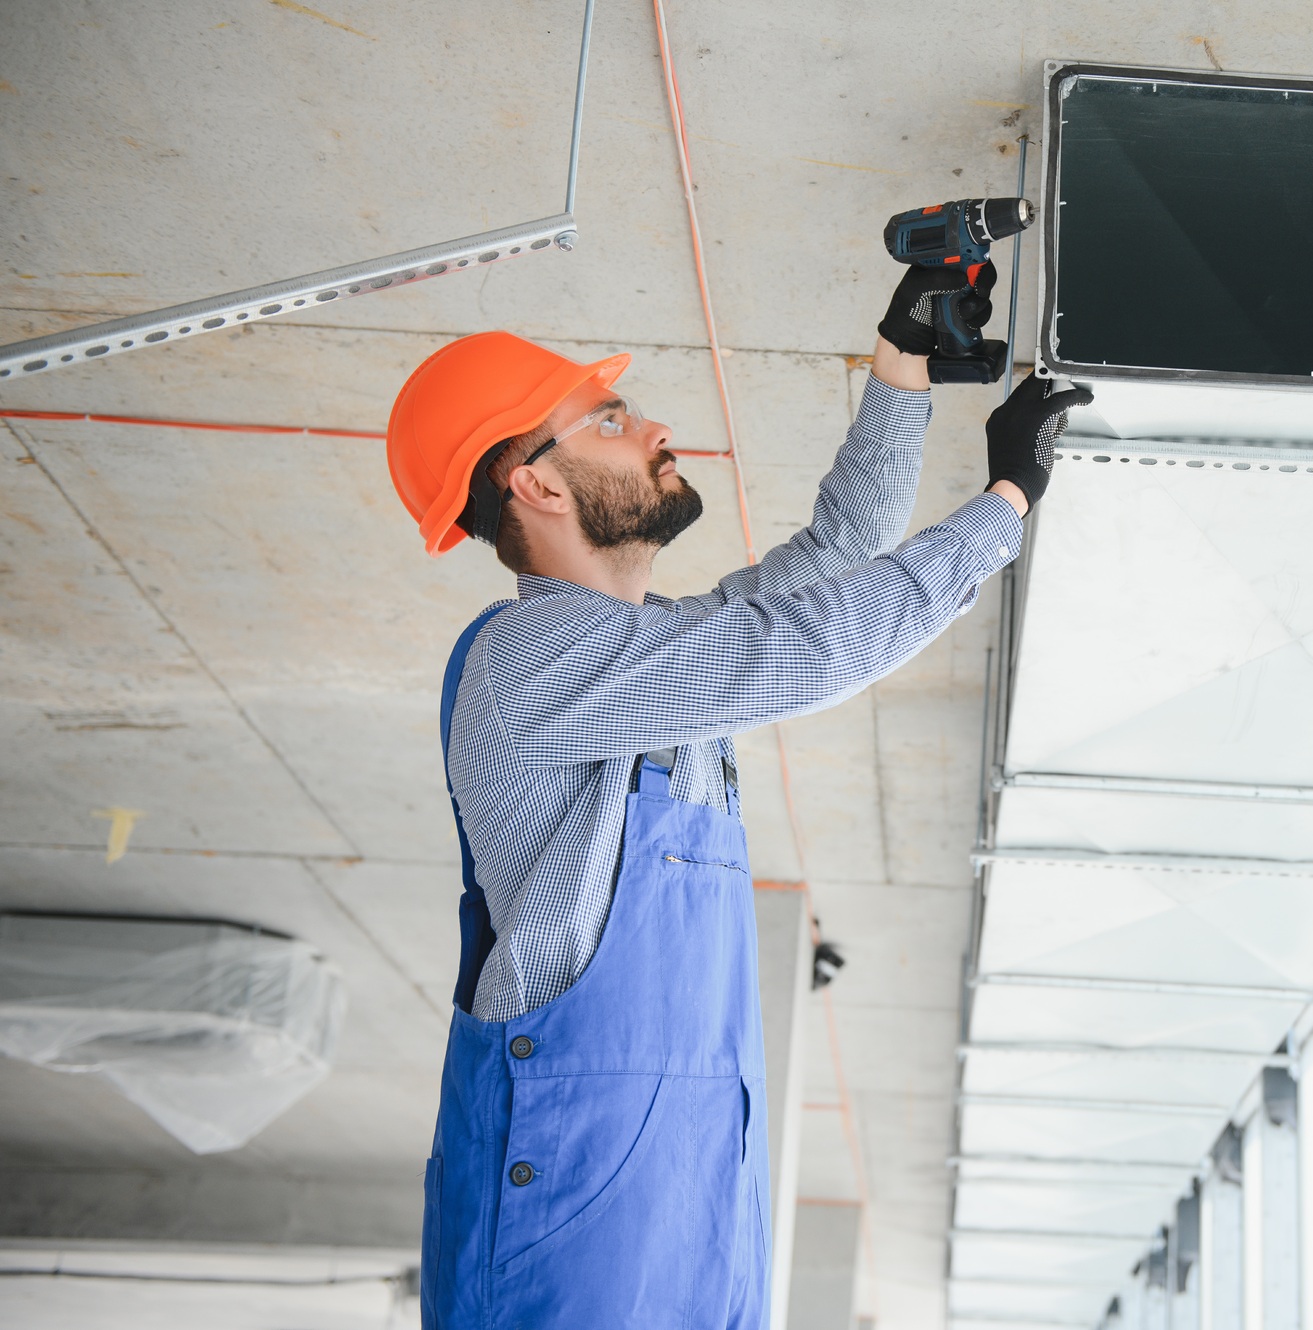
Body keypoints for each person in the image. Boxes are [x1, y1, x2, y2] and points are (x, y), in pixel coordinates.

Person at [382, 259, 1089, 1328]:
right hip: (571, 1218)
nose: (653, 424)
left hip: (684, 1190)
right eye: (609, 416)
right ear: (535, 482)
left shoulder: (651, 659)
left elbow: (833, 564)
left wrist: (904, 360)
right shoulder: (530, 660)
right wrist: (1003, 503)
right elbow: (806, 646)